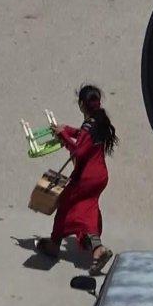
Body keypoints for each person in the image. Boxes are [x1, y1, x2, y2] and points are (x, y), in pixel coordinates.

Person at [36, 84, 117, 275]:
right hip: (100, 177)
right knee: (88, 208)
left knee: (65, 206)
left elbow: (79, 151)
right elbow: (84, 138)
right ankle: (98, 248)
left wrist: (63, 135)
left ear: (81, 104)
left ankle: (55, 244)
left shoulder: (89, 125)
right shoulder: (99, 121)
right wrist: (68, 129)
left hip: (86, 177)